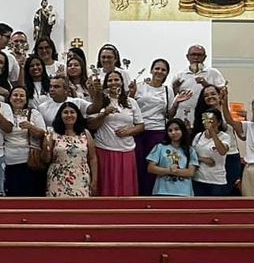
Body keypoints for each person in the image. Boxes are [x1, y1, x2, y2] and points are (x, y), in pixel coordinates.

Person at [85, 69, 143, 197]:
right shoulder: (100, 102)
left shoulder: (131, 102)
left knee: (125, 189)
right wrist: (104, 113)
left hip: (126, 150)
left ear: (122, 82)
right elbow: (91, 125)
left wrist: (129, 131)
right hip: (104, 149)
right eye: (110, 80)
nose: (113, 83)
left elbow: (141, 126)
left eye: (116, 79)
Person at [44, 101, 96, 198]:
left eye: (72, 112)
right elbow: (46, 159)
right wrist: (46, 147)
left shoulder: (85, 133)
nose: (69, 115)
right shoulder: (52, 133)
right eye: (65, 112)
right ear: (60, 115)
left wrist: (94, 181)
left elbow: (92, 158)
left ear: (77, 115)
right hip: (57, 179)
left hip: (81, 178)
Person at [146, 118, 197, 197]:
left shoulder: (190, 150)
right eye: (170, 130)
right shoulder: (160, 147)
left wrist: (176, 171)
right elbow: (151, 168)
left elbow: (191, 172)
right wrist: (168, 170)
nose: (173, 133)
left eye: (176, 129)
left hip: (184, 192)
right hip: (162, 191)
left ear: (182, 130)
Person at [191, 109, 232, 198]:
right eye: (205, 120)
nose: (207, 123)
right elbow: (192, 155)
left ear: (218, 122)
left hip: (217, 181)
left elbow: (222, 151)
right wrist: (203, 159)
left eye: (211, 120)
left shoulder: (225, 137)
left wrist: (212, 132)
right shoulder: (198, 136)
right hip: (199, 179)